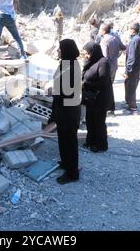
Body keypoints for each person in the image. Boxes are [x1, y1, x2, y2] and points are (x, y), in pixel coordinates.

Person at [49, 39, 81, 185]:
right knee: (63, 139)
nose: (58, 51)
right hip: (62, 110)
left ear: (66, 50)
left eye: (60, 49)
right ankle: (66, 163)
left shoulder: (72, 67)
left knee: (70, 141)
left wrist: (54, 92)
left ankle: (72, 172)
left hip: (69, 111)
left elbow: (69, 92)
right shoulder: (65, 64)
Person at [82, 41, 114, 153]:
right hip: (91, 97)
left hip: (101, 97)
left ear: (93, 52)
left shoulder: (103, 63)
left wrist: (85, 84)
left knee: (99, 121)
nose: (86, 56)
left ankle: (100, 145)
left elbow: (103, 82)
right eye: (84, 53)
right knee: (89, 120)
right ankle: (90, 141)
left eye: (87, 53)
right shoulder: (91, 61)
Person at [124, 23, 140, 114]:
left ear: (133, 30)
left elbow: (132, 57)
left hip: (133, 67)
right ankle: (129, 103)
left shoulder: (135, 40)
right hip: (139, 65)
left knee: (130, 86)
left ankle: (132, 106)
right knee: (132, 85)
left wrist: (128, 70)